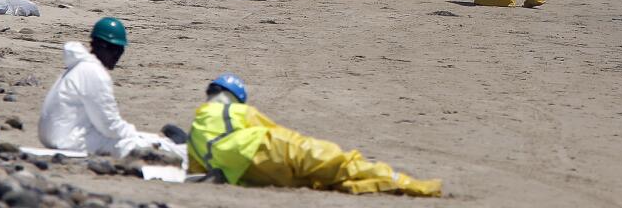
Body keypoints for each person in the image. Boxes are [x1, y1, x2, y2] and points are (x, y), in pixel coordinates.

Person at [187, 73, 441, 195]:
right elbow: (271, 131)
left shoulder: (196, 130)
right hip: (266, 148)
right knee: (342, 163)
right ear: (238, 98)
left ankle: (385, 187)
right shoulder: (234, 111)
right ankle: (413, 185)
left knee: (321, 183)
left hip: (246, 174)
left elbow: (196, 171)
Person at [39, 17, 175, 157]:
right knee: (128, 144)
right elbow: (109, 126)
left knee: (129, 137)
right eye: (114, 50)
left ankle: (160, 141)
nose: (117, 56)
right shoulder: (94, 73)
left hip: (54, 135)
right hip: (67, 140)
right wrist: (137, 136)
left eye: (120, 51)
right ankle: (170, 147)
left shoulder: (79, 66)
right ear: (99, 46)